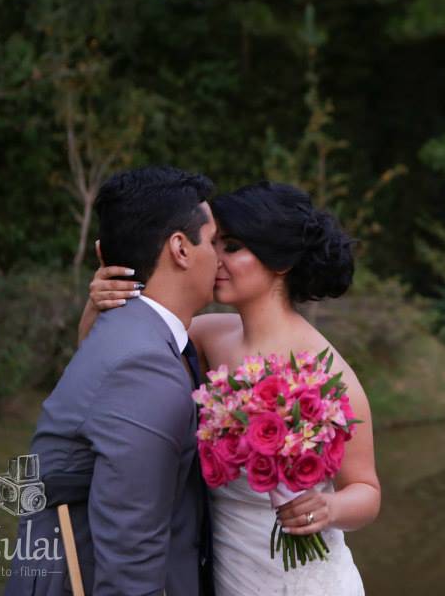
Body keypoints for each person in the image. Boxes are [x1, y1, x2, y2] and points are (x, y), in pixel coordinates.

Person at [79, 180, 380, 596]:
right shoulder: (206, 336)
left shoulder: (328, 373)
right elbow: (109, 370)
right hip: (222, 572)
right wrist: (97, 306)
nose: (215, 258)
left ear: (280, 261)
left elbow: (366, 491)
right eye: (215, 242)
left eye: (233, 246)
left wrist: (328, 508)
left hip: (304, 579)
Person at [4, 166, 220, 595]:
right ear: (180, 248)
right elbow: (130, 558)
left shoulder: (132, 331)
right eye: (214, 242)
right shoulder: (142, 366)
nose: (221, 257)